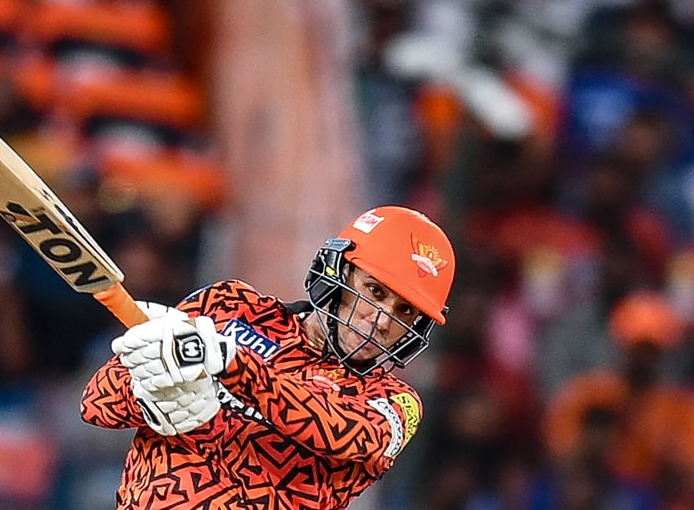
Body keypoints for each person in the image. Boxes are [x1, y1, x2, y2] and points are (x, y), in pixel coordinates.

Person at [80, 205, 456, 509]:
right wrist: (152, 395)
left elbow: (347, 432)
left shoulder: (395, 402)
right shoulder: (230, 306)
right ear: (336, 272)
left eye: (405, 311)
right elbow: (96, 405)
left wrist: (231, 364)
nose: (381, 320)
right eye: (374, 290)